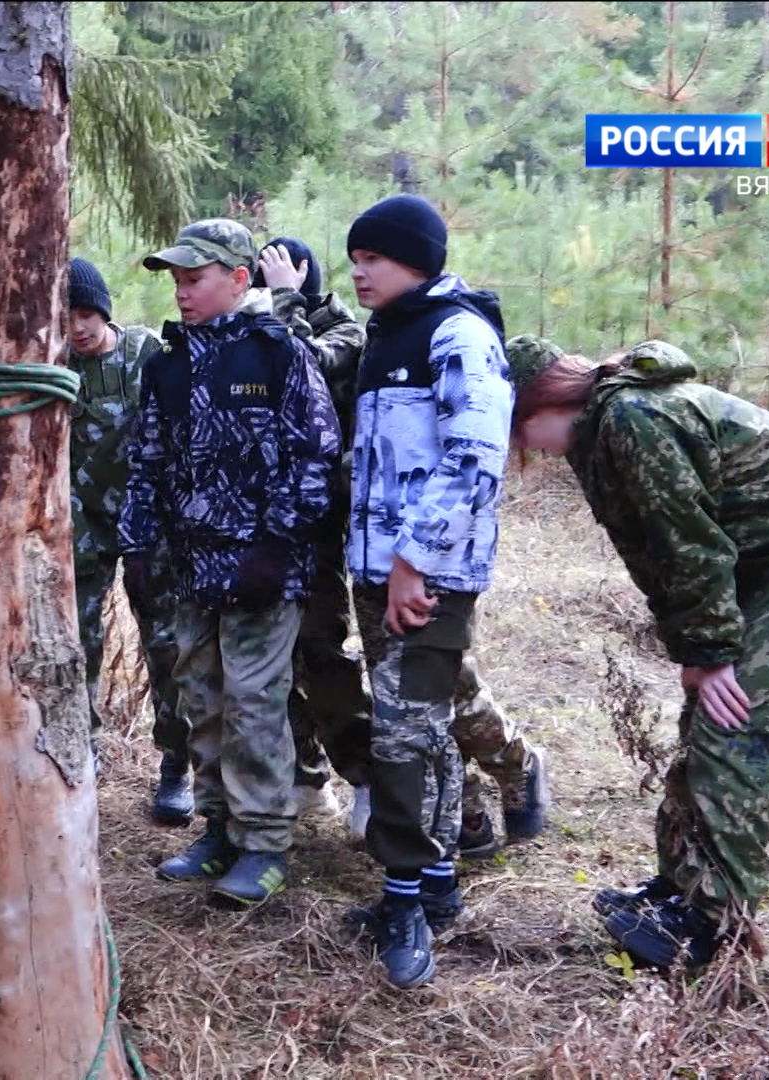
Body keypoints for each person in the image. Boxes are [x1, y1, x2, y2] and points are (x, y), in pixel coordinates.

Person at [506, 336, 769, 970]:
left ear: (544, 402)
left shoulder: (633, 418)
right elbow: (651, 553)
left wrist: (708, 652)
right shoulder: (598, 434)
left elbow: (687, 543)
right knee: (706, 721)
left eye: (520, 428)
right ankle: (681, 890)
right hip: (764, 561)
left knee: (741, 729)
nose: (526, 448)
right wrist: (696, 646)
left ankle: (710, 928)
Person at [339, 194, 535, 989]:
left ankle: (404, 905)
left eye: (373, 258)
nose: (358, 272)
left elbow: (474, 458)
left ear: (416, 260)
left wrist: (413, 563)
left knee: (402, 740)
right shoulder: (386, 336)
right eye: (353, 259)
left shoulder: (458, 334)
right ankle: (437, 884)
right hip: (378, 571)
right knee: (424, 730)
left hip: (428, 576)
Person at [121, 219, 342, 909]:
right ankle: (218, 828)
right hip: (193, 568)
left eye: (195, 279)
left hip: (263, 570)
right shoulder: (168, 363)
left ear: (240, 279)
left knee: (254, 701)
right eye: (177, 281)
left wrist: (275, 548)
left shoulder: (277, 352)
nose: (182, 292)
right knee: (202, 698)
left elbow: (317, 454)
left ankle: (265, 843)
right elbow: (146, 458)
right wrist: (138, 543)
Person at [244, 237, 373, 835]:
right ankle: (305, 775)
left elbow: (304, 368)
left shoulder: (343, 332)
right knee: (277, 661)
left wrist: (284, 300)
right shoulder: (263, 328)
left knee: (323, 653)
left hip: (318, 522)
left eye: (276, 281)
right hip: (266, 524)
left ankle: (365, 776)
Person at [64, 258, 192, 823]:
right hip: (81, 526)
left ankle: (176, 766)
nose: (78, 327)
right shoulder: (52, 365)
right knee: (75, 644)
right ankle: (79, 754)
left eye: (86, 313)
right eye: (66, 317)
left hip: (150, 526)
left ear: (104, 310)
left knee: (166, 645)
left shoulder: (146, 354)